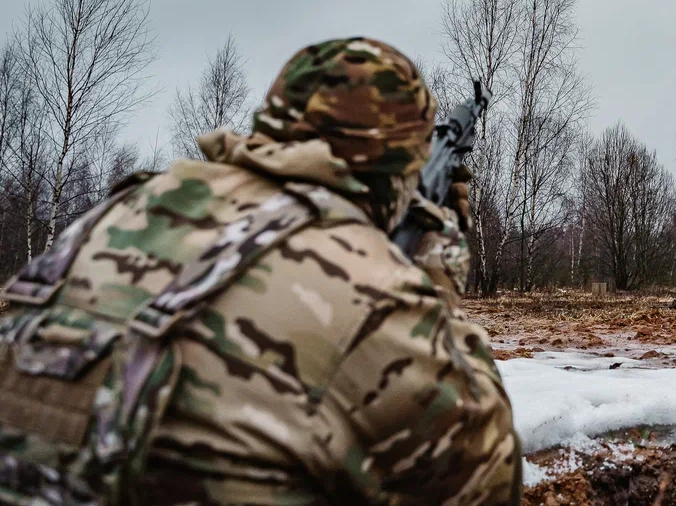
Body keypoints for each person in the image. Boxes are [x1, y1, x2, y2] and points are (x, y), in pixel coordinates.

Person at [0, 37, 521, 505]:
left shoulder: (120, 209)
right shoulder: (371, 289)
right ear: (395, 169)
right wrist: (434, 276)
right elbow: (485, 482)